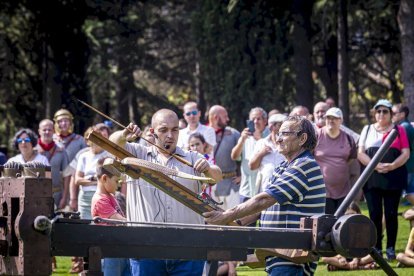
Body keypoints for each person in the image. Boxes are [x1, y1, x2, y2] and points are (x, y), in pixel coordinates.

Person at [204, 116, 326, 276]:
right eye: (278, 133)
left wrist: (226, 215)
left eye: (285, 133)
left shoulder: (304, 165)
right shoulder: (284, 166)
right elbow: (264, 207)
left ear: (302, 138)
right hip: (280, 253)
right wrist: (234, 223)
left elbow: (264, 199)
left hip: (293, 257)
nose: (278, 138)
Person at [109, 108, 222, 275]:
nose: (170, 135)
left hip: (188, 252)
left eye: (175, 129)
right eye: (164, 130)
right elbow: (112, 143)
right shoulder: (137, 154)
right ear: (153, 132)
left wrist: (207, 169)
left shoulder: (191, 158)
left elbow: (217, 175)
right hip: (145, 250)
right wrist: (124, 135)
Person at [358, 99, 410, 261]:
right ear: (374, 113)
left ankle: (391, 248)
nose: (381, 114)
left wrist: (393, 165)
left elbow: (406, 152)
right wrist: (375, 166)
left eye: (385, 111)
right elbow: (360, 153)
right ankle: (376, 249)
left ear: (391, 114)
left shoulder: (399, 129)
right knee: (374, 213)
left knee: (391, 213)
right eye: (378, 111)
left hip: (393, 177)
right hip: (372, 178)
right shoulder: (366, 129)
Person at [91, 157, 131, 276]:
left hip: (119, 248)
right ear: (104, 178)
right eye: (116, 181)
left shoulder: (110, 196)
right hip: (109, 251)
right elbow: (121, 220)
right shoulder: (100, 200)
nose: (118, 185)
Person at [314, 107, 357, 214]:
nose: (331, 120)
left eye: (335, 118)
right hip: (322, 191)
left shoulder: (348, 138)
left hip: (343, 191)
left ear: (341, 120)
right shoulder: (317, 136)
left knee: (341, 224)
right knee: (325, 225)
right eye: (328, 118)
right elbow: (308, 158)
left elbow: (352, 158)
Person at [322, 202, 377, 271]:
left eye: (352, 214)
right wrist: (340, 257)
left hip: (360, 256)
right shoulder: (340, 228)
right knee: (325, 258)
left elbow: (366, 248)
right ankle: (362, 267)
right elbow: (335, 248)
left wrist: (356, 259)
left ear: (358, 213)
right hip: (344, 256)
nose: (350, 216)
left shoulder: (363, 227)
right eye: (347, 214)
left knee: (373, 257)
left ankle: (344, 267)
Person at [231, 107, 269, 203]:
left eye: (258, 118)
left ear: (265, 121)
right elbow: (234, 157)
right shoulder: (245, 137)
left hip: (265, 189)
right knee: (243, 218)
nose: (255, 122)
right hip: (247, 190)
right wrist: (242, 140)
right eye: (252, 119)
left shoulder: (270, 136)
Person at [75, 123, 112, 220]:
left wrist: (87, 180)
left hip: (102, 197)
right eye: (90, 138)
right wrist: (96, 181)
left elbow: (111, 179)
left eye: (97, 137)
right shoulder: (83, 156)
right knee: (85, 227)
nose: (94, 141)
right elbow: (77, 180)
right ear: (87, 141)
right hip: (84, 198)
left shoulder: (108, 156)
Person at [208, 105, 241, 211]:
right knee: (215, 223)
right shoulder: (202, 133)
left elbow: (246, 157)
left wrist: (242, 176)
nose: (228, 119)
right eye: (225, 116)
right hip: (210, 186)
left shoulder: (234, 134)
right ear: (216, 117)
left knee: (234, 221)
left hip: (231, 184)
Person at [37, 119, 70, 210]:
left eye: (50, 129)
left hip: (56, 195)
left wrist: (64, 197)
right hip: (36, 194)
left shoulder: (61, 151)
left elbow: (67, 175)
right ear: (39, 131)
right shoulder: (33, 151)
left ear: (54, 131)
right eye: (44, 130)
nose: (47, 132)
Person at [249, 114, 286, 194]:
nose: (284, 128)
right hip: (265, 191)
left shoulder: (289, 144)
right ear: (271, 127)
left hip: (284, 191)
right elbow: (252, 166)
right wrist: (261, 153)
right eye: (280, 125)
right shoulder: (261, 143)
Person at [392, 103, 414, 205]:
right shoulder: (405, 126)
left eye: (394, 113)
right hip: (408, 166)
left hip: (407, 167)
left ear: (402, 114)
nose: (391, 115)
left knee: (407, 194)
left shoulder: (404, 127)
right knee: (408, 194)